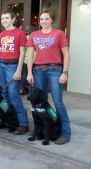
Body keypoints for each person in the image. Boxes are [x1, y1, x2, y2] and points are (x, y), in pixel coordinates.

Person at [27, 9, 71, 145]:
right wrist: (29, 72)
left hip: (55, 70)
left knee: (58, 102)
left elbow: (66, 54)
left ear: (52, 20)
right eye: (41, 19)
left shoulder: (59, 34)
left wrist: (65, 72)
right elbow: (30, 55)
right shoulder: (34, 35)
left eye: (46, 19)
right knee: (40, 103)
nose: (43, 22)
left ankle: (65, 133)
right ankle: (41, 130)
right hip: (38, 70)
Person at [0, 11, 28, 135]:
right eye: (2, 18)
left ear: (13, 19)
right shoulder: (0, 35)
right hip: (1, 64)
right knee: (4, 94)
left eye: (7, 18)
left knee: (13, 94)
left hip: (12, 65)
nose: (4, 20)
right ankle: (6, 119)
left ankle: (23, 124)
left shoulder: (20, 33)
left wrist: (19, 70)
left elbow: (22, 53)